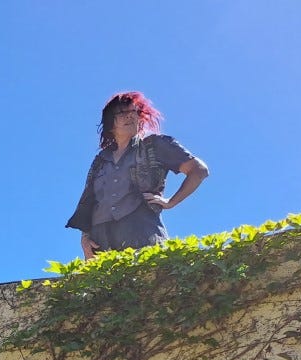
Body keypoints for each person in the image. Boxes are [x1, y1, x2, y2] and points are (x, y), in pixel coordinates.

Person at [67, 91, 209, 259]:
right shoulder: (100, 161)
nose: (129, 117)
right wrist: (85, 239)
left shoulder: (155, 145)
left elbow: (199, 170)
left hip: (141, 231)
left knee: (151, 282)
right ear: (110, 123)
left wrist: (170, 202)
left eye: (133, 112)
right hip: (100, 241)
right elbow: (90, 202)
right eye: (122, 113)